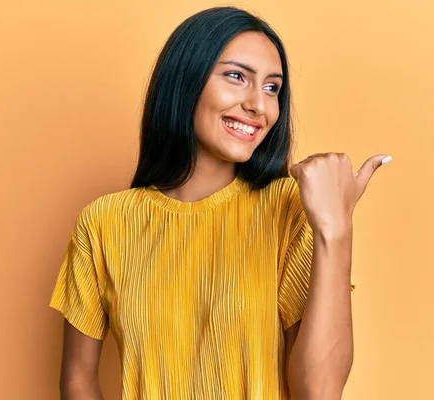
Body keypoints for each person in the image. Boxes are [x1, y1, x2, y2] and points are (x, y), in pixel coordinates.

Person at [49, 6, 391, 400]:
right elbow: (77, 379)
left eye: (272, 88)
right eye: (236, 76)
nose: (259, 106)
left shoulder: (290, 209)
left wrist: (335, 229)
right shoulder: (104, 222)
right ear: (184, 80)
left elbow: (320, 391)